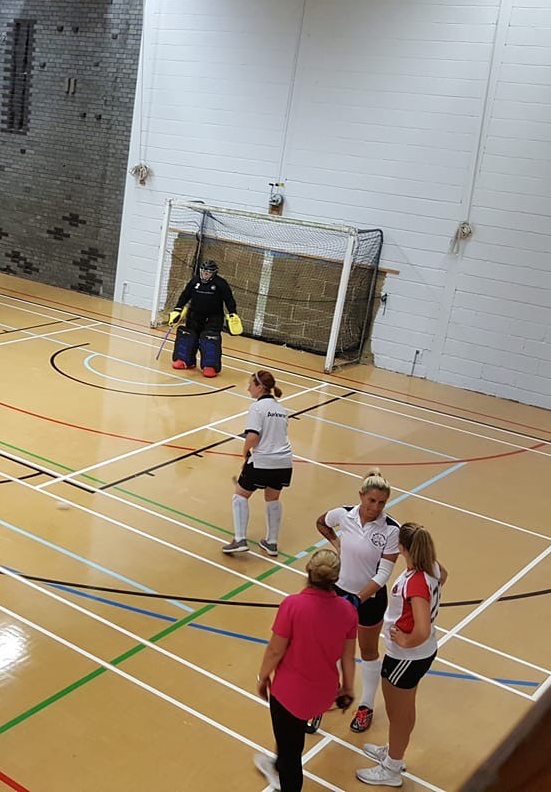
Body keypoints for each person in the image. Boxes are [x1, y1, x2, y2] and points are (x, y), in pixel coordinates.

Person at [252, 549, 358, 791]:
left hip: (289, 694)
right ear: (336, 578)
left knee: (292, 755)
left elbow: (275, 651)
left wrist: (262, 677)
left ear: (308, 571)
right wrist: (348, 689)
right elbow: (348, 658)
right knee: (291, 737)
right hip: (323, 694)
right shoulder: (348, 611)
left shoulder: (292, 605)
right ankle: (279, 762)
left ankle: (284, 770)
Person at [310, 468, 400, 734]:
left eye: (382, 502)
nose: (376, 507)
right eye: (372, 500)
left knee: (368, 652)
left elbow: (383, 573)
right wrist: (337, 544)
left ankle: (366, 706)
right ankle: (328, 695)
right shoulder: (344, 515)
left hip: (368, 600)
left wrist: (356, 600)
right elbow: (321, 522)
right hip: (338, 593)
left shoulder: (390, 530)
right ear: (361, 496)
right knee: (332, 648)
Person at [356, 522, 446, 787]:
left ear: (403, 548)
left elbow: (422, 628)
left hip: (407, 658)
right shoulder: (432, 568)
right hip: (419, 654)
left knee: (399, 713)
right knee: (405, 709)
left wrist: (406, 641)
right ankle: (394, 751)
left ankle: (392, 767)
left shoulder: (416, 582)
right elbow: (445, 576)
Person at [222, 370, 293, 557]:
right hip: (284, 463)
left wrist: (245, 452)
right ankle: (271, 542)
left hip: (263, 461)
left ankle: (239, 539)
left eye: (250, 385)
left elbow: (253, 436)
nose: (248, 388)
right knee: (272, 499)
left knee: (240, 495)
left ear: (260, 387)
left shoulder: (257, 408)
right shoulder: (281, 408)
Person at [168, 259, 242, 378]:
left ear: (214, 273)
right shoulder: (195, 281)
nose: (205, 274)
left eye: (208, 272)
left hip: (213, 317)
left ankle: (210, 366)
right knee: (188, 337)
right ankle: (185, 360)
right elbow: (185, 295)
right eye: (203, 271)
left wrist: (233, 313)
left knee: (210, 340)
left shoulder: (220, 284)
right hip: (194, 315)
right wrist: (178, 309)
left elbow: (229, 299)